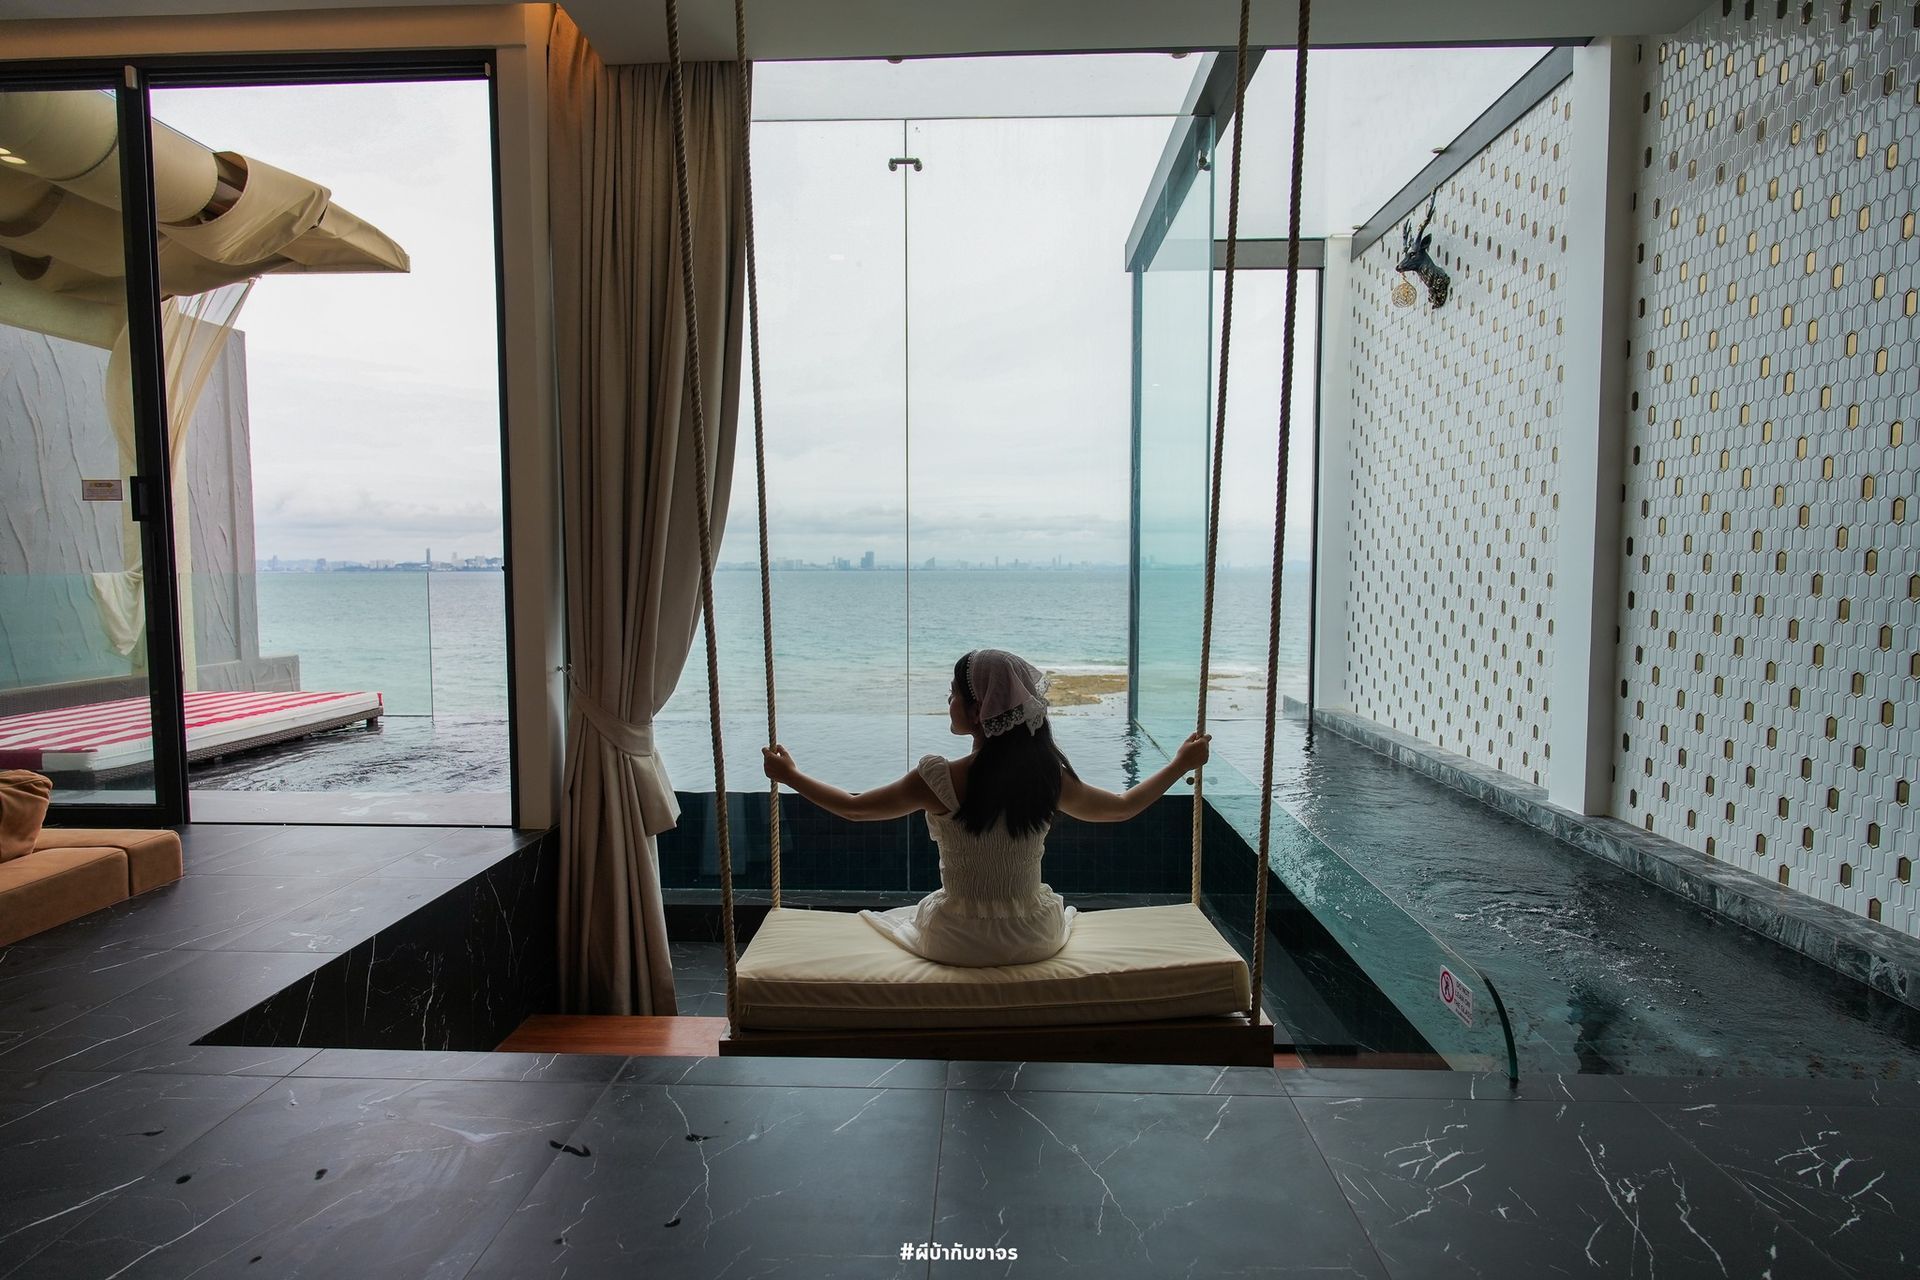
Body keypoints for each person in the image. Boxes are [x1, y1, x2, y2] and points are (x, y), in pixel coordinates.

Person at [760, 648, 1211, 967]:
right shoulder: (1047, 775)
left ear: (980, 711)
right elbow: (1121, 807)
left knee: (893, 919)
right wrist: (1179, 764)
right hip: (1033, 938)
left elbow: (854, 808)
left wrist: (790, 776)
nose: (949, 702)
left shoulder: (937, 779)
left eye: (954, 693)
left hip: (956, 940)